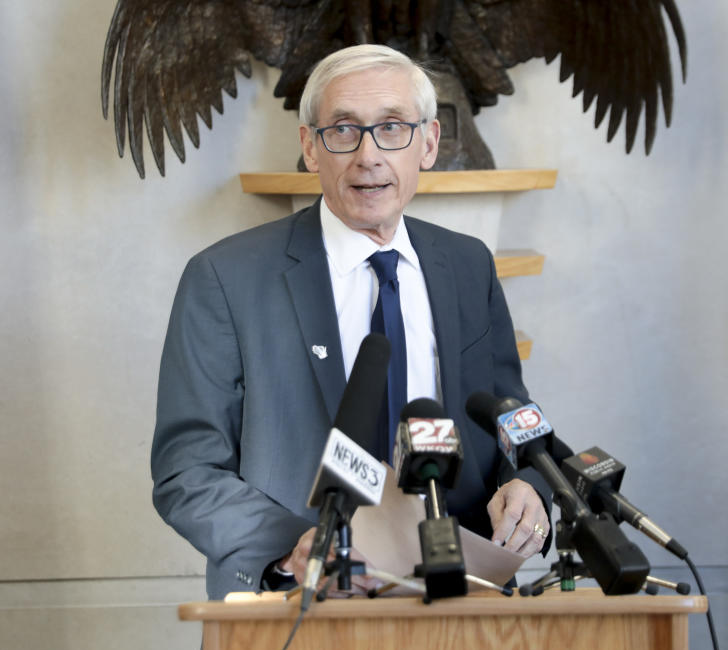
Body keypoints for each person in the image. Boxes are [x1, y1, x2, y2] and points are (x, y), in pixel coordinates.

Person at [151, 44, 551, 601]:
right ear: (311, 148)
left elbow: (512, 422)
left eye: (393, 128)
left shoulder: (468, 265)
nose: (369, 156)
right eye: (343, 130)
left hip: (458, 602)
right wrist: (296, 544)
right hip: (301, 606)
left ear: (429, 144)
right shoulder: (224, 278)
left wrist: (527, 486)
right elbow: (186, 472)